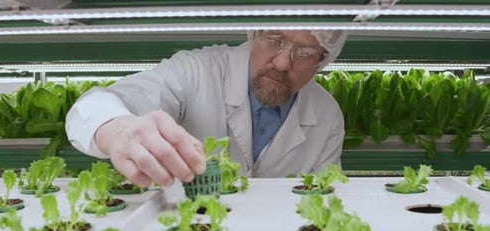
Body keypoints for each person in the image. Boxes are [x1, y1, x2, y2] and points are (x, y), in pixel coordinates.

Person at [66, 29, 347, 187]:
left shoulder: (327, 115)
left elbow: (327, 196)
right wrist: (117, 129)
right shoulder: (197, 71)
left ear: (324, 59)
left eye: (306, 53)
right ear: (256, 33)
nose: (283, 63)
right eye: (275, 40)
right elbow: (99, 103)